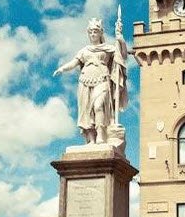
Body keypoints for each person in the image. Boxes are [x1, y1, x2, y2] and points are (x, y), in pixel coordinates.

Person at [53, 15, 130, 145]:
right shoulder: (84, 51)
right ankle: (91, 140)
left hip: (102, 80)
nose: (93, 34)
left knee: (98, 105)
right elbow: (74, 62)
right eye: (91, 32)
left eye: (95, 31)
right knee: (87, 111)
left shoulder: (108, 48)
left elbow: (123, 56)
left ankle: (101, 135)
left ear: (100, 33)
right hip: (85, 81)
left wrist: (120, 39)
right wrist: (62, 69)